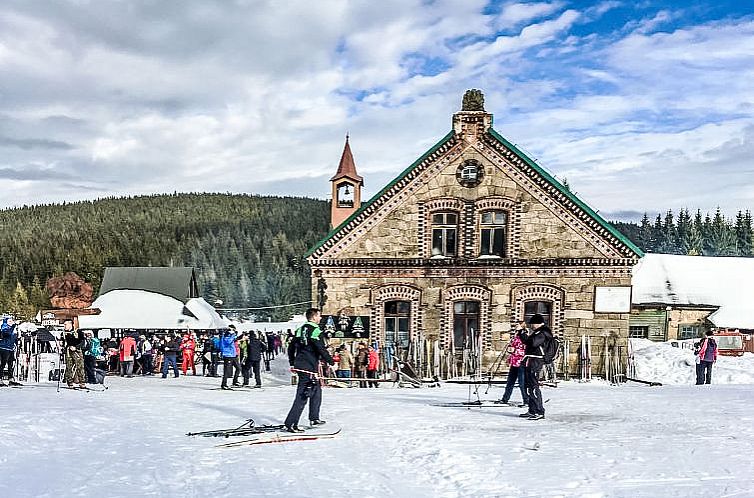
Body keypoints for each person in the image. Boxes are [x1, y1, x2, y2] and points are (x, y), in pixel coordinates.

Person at [284, 308, 334, 432]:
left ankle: (314, 418)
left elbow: (290, 348)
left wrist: (292, 362)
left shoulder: (300, 329)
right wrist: (330, 361)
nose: (320, 318)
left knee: (316, 391)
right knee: (303, 394)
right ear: (314, 317)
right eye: (319, 316)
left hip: (301, 365)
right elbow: (320, 348)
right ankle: (291, 423)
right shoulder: (315, 330)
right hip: (308, 367)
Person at [519, 314, 549, 420]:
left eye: (533, 324)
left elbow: (532, 343)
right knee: (528, 386)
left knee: (533, 386)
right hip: (530, 360)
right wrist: (522, 331)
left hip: (536, 361)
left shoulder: (543, 333)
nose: (532, 326)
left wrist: (523, 332)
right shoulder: (537, 332)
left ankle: (539, 411)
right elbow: (527, 342)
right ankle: (532, 410)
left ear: (538, 323)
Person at [498, 321, 529, 407]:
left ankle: (526, 400)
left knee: (522, 383)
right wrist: (510, 354)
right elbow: (512, 347)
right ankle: (505, 398)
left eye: (517, 325)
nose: (515, 327)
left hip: (521, 363)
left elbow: (526, 350)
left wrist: (515, 351)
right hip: (514, 362)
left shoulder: (525, 336)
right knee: (510, 382)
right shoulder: (516, 336)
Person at [63, 318, 87, 389]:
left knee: (80, 366)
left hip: (77, 351)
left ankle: (82, 382)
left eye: (66, 324)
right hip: (68, 350)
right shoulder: (64, 333)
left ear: (70, 324)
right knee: (69, 367)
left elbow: (83, 342)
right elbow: (64, 341)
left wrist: (76, 347)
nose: (64, 326)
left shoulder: (78, 331)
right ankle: (70, 383)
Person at [0, 317, 19, 386]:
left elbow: (13, 337)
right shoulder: (4, 327)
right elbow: (6, 334)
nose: (11, 322)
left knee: (11, 365)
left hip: (10, 349)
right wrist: (13, 327)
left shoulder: (12, 328)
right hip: (4, 348)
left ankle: (10, 379)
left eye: (12, 321)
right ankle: (0, 380)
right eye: (9, 321)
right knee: (2, 364)